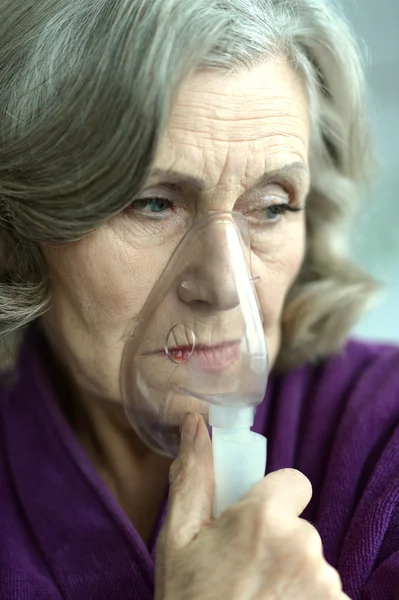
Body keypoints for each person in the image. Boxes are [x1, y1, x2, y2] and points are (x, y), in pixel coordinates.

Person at [1, 0, 398, 598]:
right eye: (152, 203)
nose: (220, 287)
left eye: (271, 207)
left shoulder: (384, 439)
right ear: (16, 229)